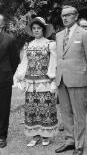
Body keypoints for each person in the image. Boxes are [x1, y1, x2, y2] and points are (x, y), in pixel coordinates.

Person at [55, 4, 87, 155]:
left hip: (79, 80)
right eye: (63, 15)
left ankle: (79, 145)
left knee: (79, 114)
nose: (64, 18)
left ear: (76, 16)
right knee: (65, 112)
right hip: (61, 80)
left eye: (68, 15)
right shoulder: (59, 35)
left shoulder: (84, 34)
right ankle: (69, 141)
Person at [14, 17, 58, 147]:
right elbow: (24, 63)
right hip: (31, 83)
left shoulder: (50, 44)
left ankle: (46, 135)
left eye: (39, 28)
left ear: (43, 30)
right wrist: (19, 78)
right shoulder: (29, 45)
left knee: (46, 109)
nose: (36, 30)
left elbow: (54, 63)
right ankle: (35, 135)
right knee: (32, 109)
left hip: (45, 82)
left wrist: (53, 80)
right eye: (34, 28)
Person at [0, 14, 19, 148]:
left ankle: (2, 136)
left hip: (4, 79)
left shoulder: (10, 39)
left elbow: (15, 60)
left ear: (2, 25)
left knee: (3, 108)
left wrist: (8, 73)